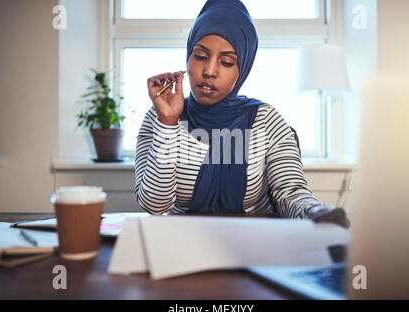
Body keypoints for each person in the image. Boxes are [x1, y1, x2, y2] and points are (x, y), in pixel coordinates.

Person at [135, 0, 350, 228]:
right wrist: (168, 123)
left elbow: (291, 192)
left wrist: (315, 211)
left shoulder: (266, 120)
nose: (209, 71)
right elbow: (154, 205)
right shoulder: (159, 116)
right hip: (183, 238)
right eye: (200, 56)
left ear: (244, 67)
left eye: (226, 62)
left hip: (254, 238)